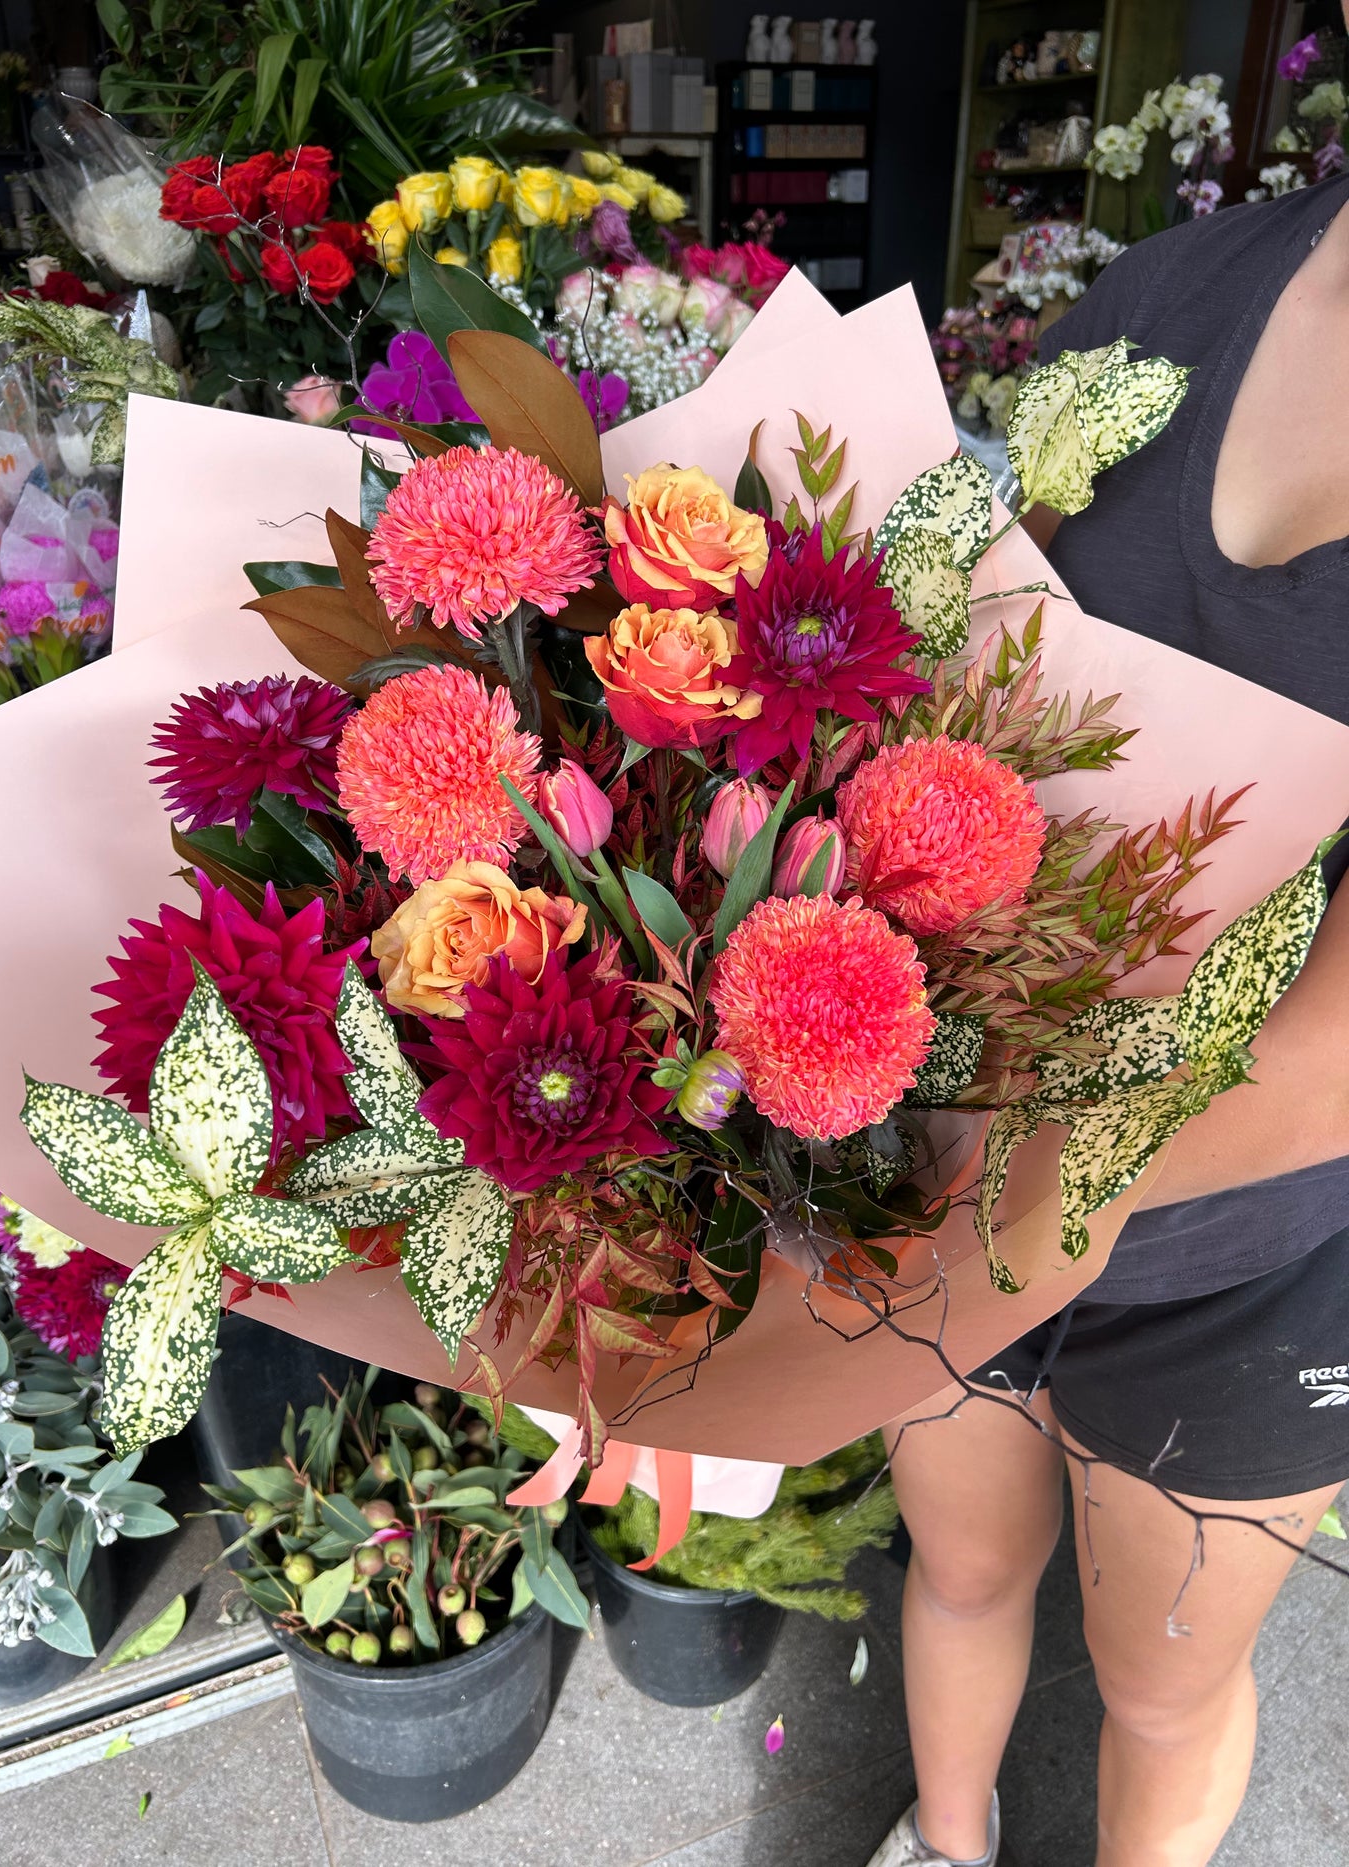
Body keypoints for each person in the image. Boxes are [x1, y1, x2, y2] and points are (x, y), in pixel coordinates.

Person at [869, 131, 1349, 1867]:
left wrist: (1005, 1185)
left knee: (1156, 1687)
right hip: (949, 1159)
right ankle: (945, 1839)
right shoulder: (1176, 294)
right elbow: (975, 662)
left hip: (1258, 1252)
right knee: (967, 1562)